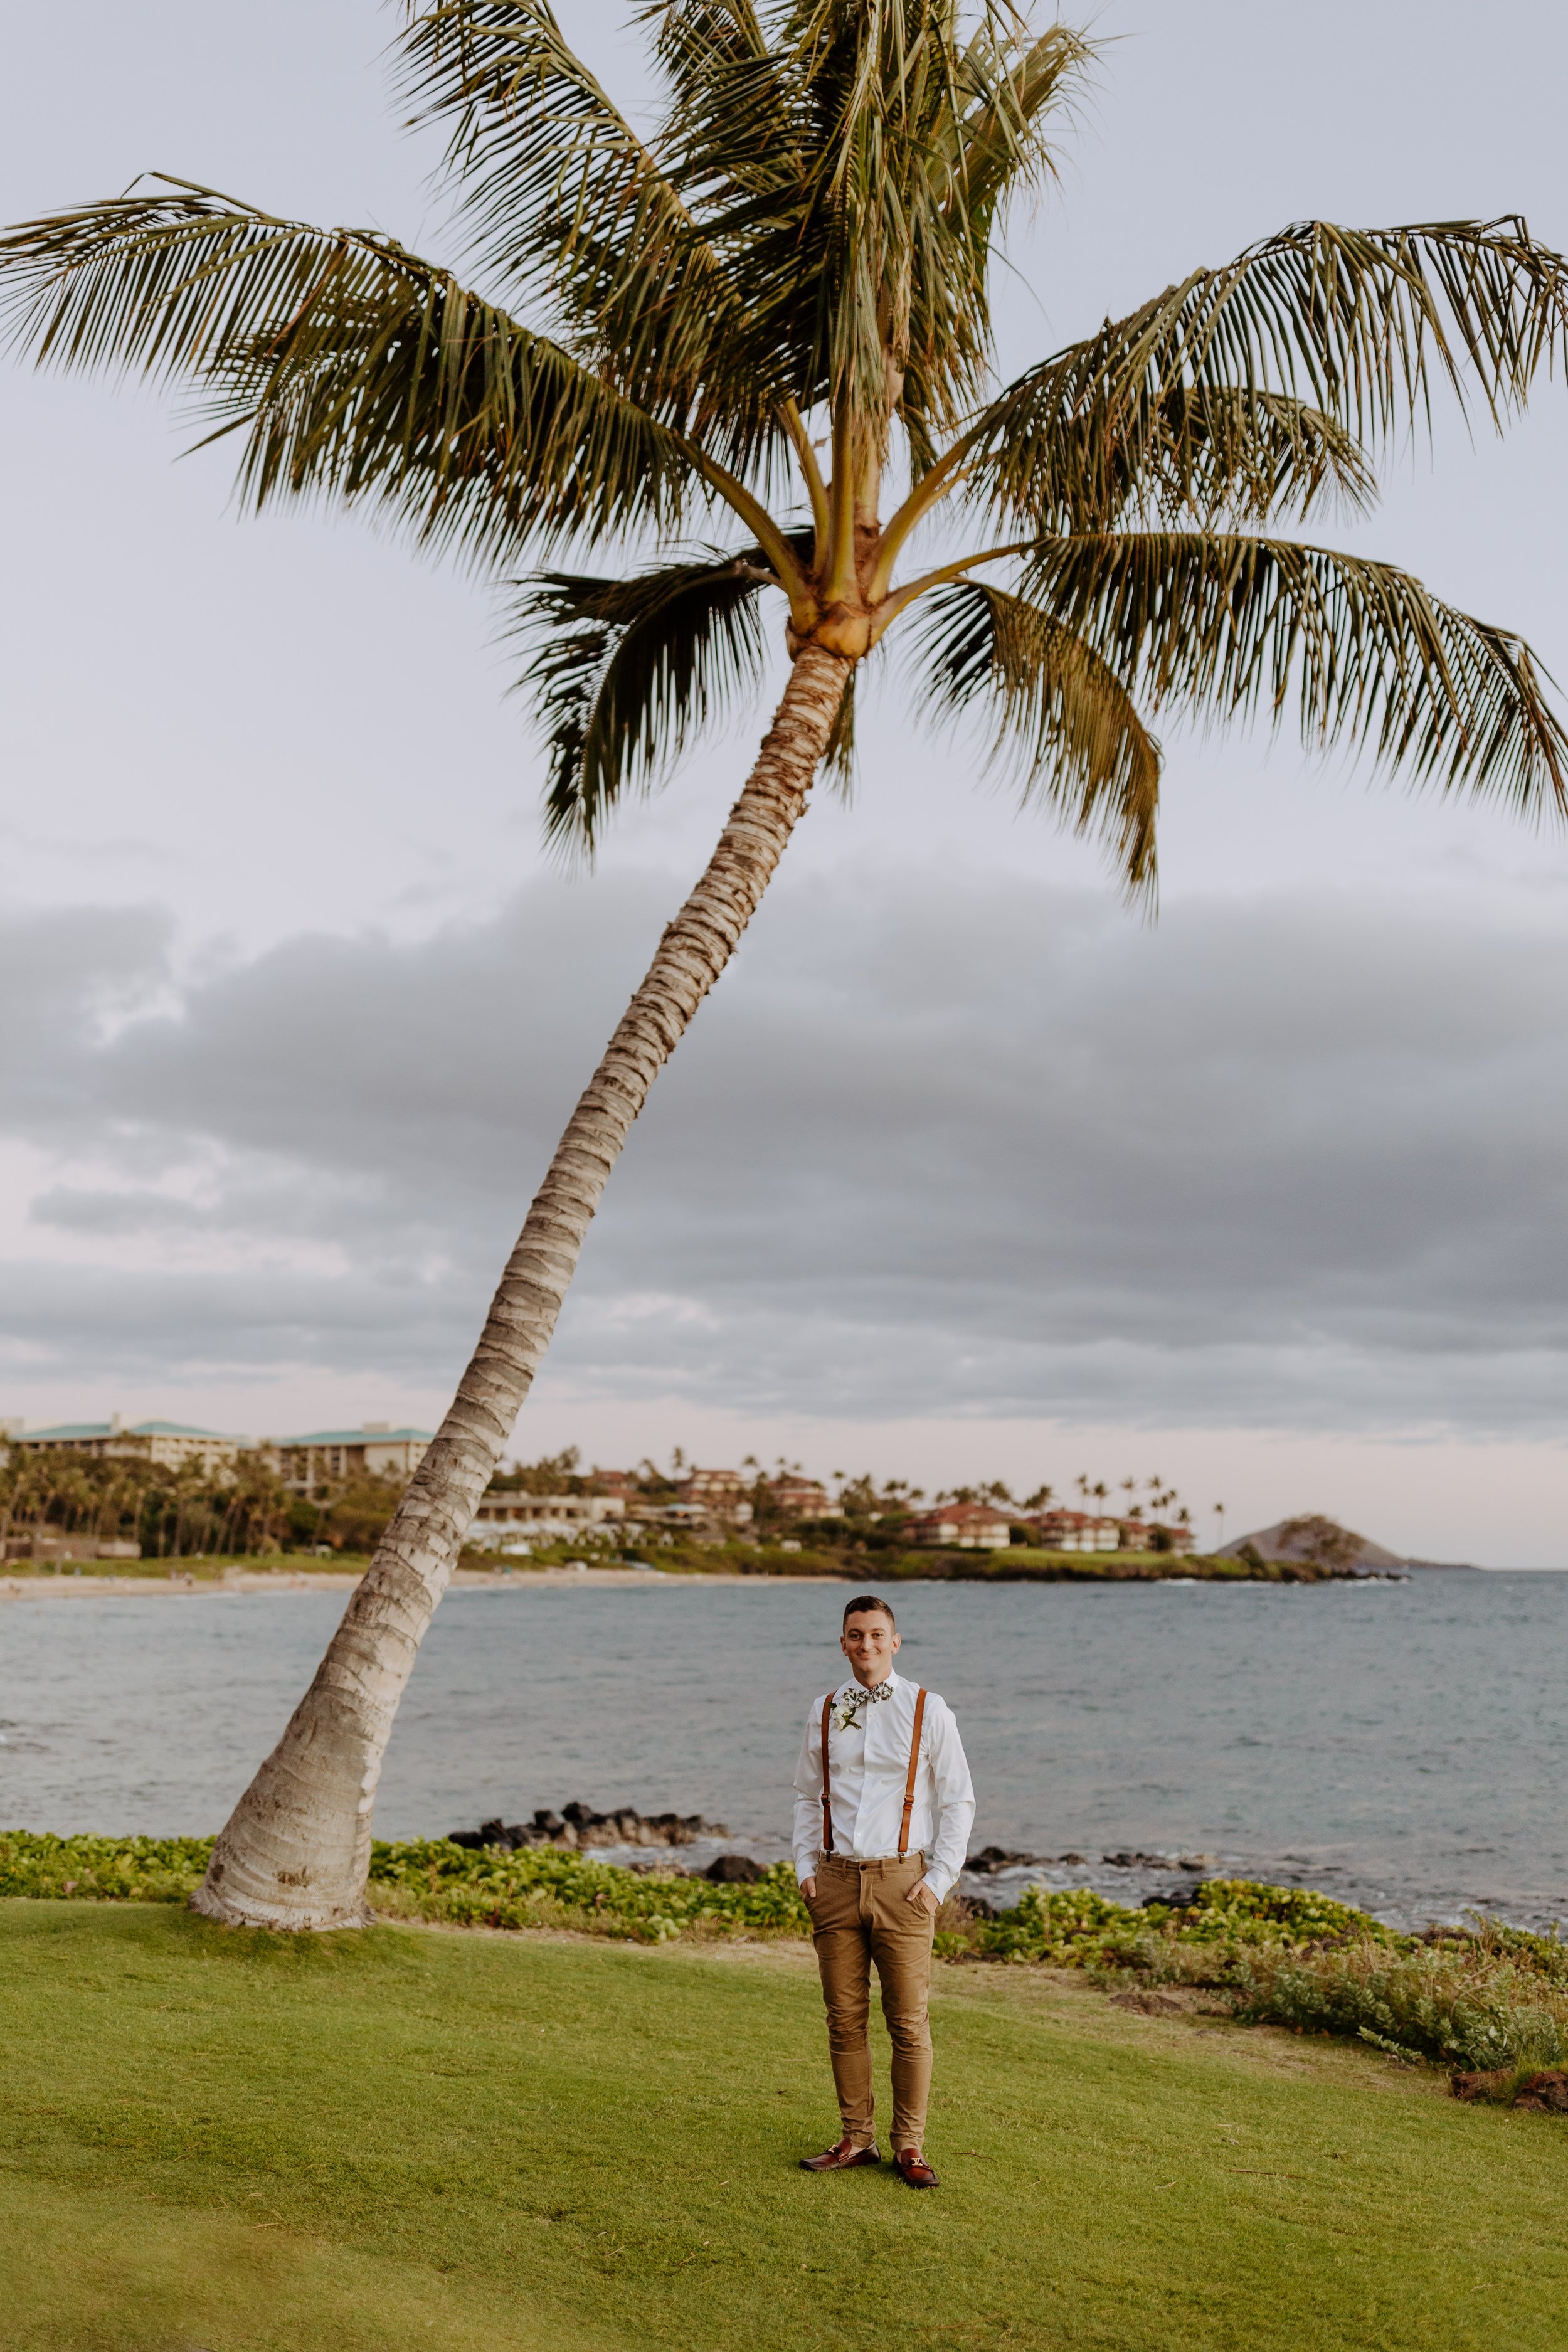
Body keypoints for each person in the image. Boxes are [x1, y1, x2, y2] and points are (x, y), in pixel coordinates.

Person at [792, 1592, 975, 2188]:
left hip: (904, 1883)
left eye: (876, 1635)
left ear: (894, 1642)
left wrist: (938, 1881)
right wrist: (805, 1867)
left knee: (908, 2022)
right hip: (837, 1881)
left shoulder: (929, 1708)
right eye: (854, 1635)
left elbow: (959, 1801)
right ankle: (855, 2139)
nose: (865, 1645)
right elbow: (805, 1795)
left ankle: (910, 2147)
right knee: (843, 2019)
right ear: (842, 1642)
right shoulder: (824, 1710)